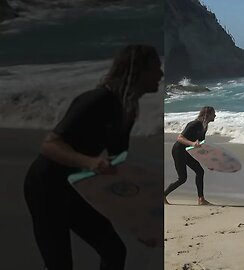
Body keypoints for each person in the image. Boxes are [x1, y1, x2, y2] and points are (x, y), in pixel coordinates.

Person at [23, 44, 163, 270]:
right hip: (45, 187)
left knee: (114, 250)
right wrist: (89, 162)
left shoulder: (127, 109)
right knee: (59, 264)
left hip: (75, 186)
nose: (161, 74)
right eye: (156, 68)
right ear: (137, 71)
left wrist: (141, 225)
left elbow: (119, 168)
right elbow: (50, 145)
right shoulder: (97, 100)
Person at [164, 106, 216, 205]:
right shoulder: (195, 124)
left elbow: (199, 145)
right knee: (182, 178)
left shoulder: (204, 127)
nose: (215, 115)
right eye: (213, 113)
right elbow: (180, 138)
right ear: (207, 114)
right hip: (178, 150)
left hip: (185, 151)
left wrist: (208, 161)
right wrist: (192, 144)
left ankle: (201, 199)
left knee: (200, 171)